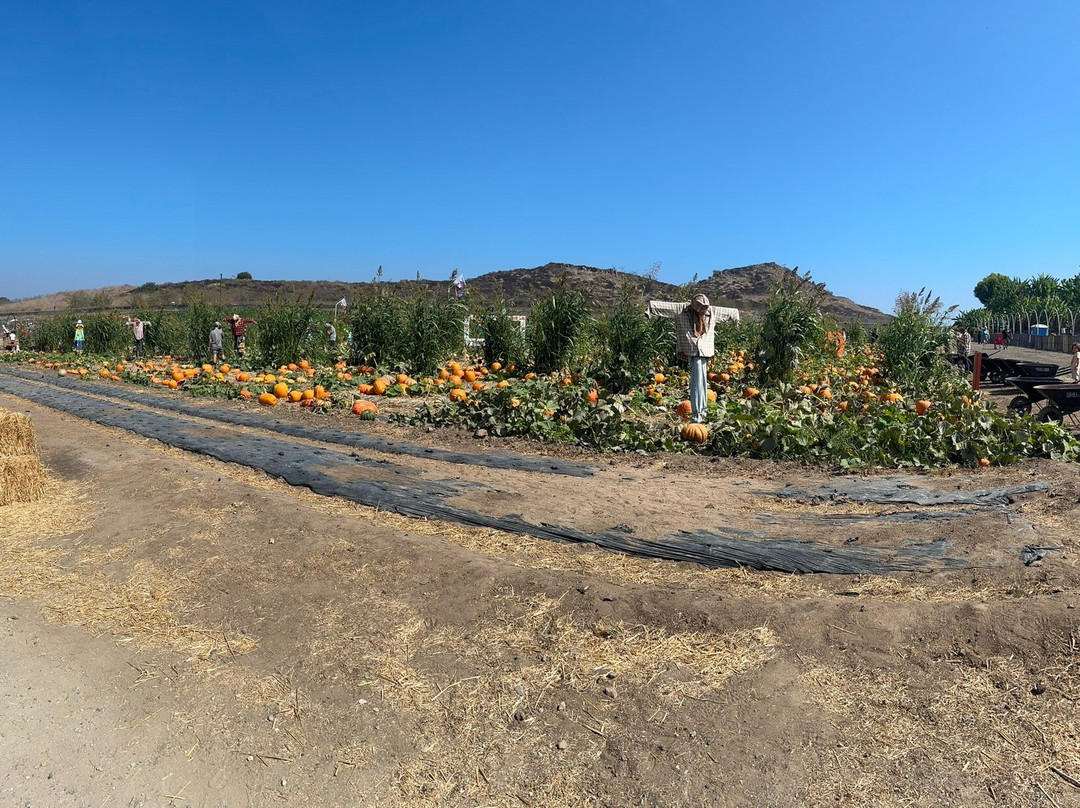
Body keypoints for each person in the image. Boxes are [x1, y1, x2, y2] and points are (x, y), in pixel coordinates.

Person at [647, 294, 740, 423]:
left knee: (699, 382)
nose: (703, 312)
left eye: (704, 309)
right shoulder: (682, 310)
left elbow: (731, 312)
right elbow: (662, 306)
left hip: (703, 351)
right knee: (697, 382)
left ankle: (699, 414)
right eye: (700, 309)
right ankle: (700, 412)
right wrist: (650, 309)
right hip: (691, 349)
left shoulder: (712, 311)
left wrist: (736, 319)